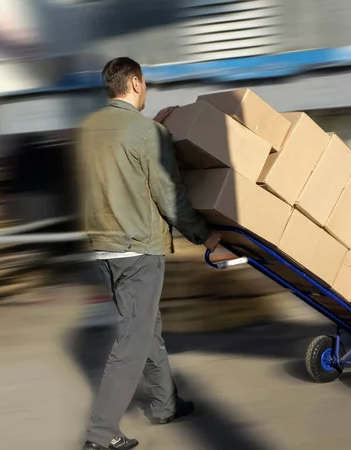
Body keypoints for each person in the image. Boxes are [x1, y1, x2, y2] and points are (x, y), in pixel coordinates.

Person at [76, 57, 221, 450]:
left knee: (145, 327)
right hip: (138, 249)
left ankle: (164, 404)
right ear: (137, 82)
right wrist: (204, 235)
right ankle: (101, 434)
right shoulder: (147, 133)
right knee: (133, 342)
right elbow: (170, 198)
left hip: (103, 249)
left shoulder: (89, 128)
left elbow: (121, 160)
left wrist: (156, 127)